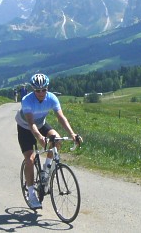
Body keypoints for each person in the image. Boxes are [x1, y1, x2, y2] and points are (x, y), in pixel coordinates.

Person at [15, 73, 83, 209]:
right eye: (37, 90)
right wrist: (40, 138)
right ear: (33, 90)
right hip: (25, 127)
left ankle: (45, 173)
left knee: (57, 140)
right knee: (30, 159)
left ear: (47, 88)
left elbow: (61, 117)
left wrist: (73, 134)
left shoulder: (52, 98)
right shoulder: (27, 100)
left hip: (41, 124)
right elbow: (30, 122)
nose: (41, 93)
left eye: (43, 90)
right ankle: (31, 194)